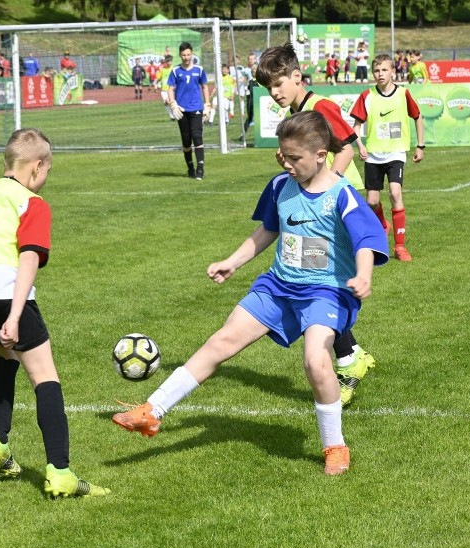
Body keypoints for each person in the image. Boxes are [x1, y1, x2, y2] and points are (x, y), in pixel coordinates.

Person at [112, 111, 389, 476]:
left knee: (316, 361)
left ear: (321, 155)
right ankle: (152, 412)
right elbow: (267, 231)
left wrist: (364, 275)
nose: (287, 165)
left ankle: (334, 446)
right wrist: (233, 261)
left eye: (295, 158)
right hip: (278, 285)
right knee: (221, 341)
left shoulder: (342, 195)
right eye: (283, 157)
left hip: (326, 291)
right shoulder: (280, 186)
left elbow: (366, 240)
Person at [0, 128, 110, 498]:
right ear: (36, 166)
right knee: (45, 375)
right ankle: (61, 472)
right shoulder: (32, 202)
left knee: (5, 355)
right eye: (47, 170)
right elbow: (29, 255)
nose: (46, 178)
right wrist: (14, 316)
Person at [255, 42, 374, 407]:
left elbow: (350, 147)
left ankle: (349, 362)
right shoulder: (297, 113)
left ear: (296, 77)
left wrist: (322, 185)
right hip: (316, 208)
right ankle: (351, 355)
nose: (274, 93)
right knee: (315, 281)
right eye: (269, 88)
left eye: (278, 84)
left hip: (335, 209)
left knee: (318, 284)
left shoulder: (319, 107)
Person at [350, 53, 424, 264]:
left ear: (393, 71)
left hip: (395, 153)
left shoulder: (403, 94)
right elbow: (355, 126)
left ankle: (400, 246)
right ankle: (383, 225)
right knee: (372, 201)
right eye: (376, 70)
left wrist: (420, 146)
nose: (380, 74)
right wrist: (361, 145)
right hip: (373, 154)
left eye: (384, 70)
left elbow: (417, 117)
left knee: (394, 192)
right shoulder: (367, 96)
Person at [167, 42, 211, 180]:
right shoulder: (175, 71)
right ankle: (190, 168)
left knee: (197, 136)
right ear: (180, 55)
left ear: (192, 54)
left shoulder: (199, 70)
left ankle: (200, 169)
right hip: (181, 110)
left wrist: (207, 104)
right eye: (184, 55)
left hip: (196, 108)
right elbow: (170, 89)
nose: (186, 57)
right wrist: (173, 104)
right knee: (186, 140)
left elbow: (204, 86)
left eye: (188, 54)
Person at [241, 53, 258, 140]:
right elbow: (243, 79)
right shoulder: (245, 70)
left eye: (253, 59)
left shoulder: (261, 69)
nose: (251, 60)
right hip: (250, 97)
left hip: (259, 99)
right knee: (250, 117)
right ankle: (243, 134)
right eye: (250, 59)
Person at [159, 55, 175, 120]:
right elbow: (158, 78)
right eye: (167, 61)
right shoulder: (163, 70)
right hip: (163, 90)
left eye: (170, 61)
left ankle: (174, 114)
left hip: (171, 89)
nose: (169, 63)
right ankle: (172, 116)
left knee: (169, 101)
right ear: (165, 61)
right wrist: (155, 83)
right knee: (166, 103)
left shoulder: (173, 69)